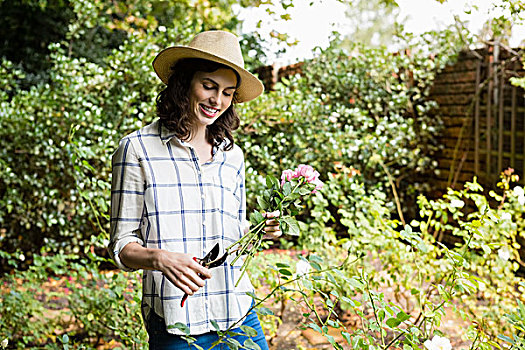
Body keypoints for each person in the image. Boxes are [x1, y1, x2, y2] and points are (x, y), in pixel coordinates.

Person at [108, 30, 281, 349]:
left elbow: (229, 231)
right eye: (209, 86)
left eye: (228, 92)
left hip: (238, 310)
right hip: (177, 319)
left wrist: (257, 230)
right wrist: (159, 258)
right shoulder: (136, 150)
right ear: (184, 82)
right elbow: (121, 245)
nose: (217, 101)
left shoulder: (233, 156)